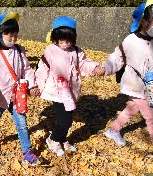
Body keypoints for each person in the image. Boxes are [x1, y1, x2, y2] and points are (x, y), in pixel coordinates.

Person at [100, 0, 153, 163]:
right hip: (136, 85)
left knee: (131, 109)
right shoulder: (131, 41)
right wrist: (103, 68)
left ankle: (113, 130)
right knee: (152, 118)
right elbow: (117, 58)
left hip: (150, 85)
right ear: (145, 22)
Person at [0, 12, 40, 165]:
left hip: (17, 96)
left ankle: (27, 151)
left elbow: (26, 69)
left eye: (15, 36)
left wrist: (32, 85)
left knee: (22, 124)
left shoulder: (19, 50)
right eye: (9, 36)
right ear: (0, 34)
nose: (13, 39)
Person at [35, 16, 103, 156]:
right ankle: (53, 139)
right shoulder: (50, 51)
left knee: (68, 118)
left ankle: (62, 138)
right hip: (57, 91)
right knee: (65, 120)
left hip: (71, 91)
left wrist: (95, 67)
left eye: (68, 41)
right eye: (61, 41)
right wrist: (38, 86)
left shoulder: (77, 51)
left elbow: (83, 64)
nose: (65, 44)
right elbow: (42, 69)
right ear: (55, 38)